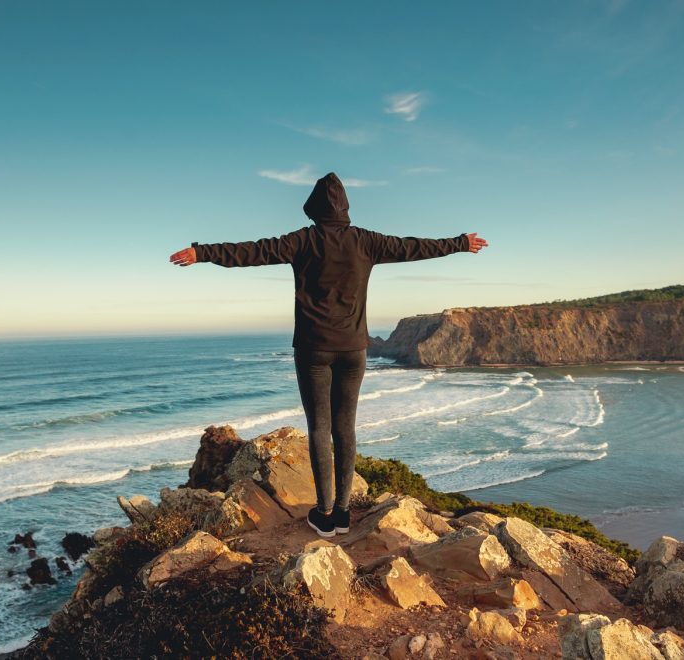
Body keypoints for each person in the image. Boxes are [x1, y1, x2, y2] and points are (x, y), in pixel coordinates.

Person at [170, 172, 487, 538]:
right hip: (354, 349)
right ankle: (343, 512)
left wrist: (203, 253)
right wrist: (460, 243)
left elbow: (252, 251)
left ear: (314, 207)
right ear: (345, 206)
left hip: (313, 350)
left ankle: (323, 515)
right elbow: (413, 247)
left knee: (320, 429)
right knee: (345, 428)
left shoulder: (303, 241)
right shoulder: (365, 241)